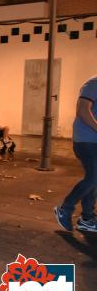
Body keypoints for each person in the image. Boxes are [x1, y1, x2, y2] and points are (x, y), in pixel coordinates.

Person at [54, 76, 97, 233]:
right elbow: (82, 110)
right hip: (86, 140)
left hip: (94, 141)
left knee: (93, 180)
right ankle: (65, 209)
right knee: (93, 178)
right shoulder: (93, 84)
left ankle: (87, 219)